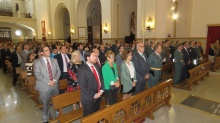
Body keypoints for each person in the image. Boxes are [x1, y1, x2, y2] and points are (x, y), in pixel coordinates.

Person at [34, 46, 61, 123]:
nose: (49, 51)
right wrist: (49, 82)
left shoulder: (54, 60)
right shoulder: (37, 61)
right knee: (46, 104)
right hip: (44, 85)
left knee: (56, 101)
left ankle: (57, 114)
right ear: (42, 53)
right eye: (46, 50)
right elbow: (38, 75)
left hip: (55, 85)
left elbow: (58, 71)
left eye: (49, 50)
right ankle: (45, 118)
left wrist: (54, 80)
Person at [77, 49, 104, 116]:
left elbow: (101, 79)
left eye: (96, 56)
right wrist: (94, 95)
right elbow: (83, 86)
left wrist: (101, 90)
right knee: (88, 117)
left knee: (96, 115)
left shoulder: (96, 66)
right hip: (89, 98)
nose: (96, 57)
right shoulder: (82, 69)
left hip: (98, 95)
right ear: (88, 57)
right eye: (94, 56)